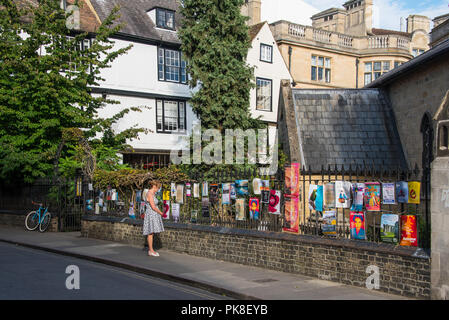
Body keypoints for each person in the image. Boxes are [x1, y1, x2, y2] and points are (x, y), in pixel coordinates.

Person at [143, 180, 165, 257]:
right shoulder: (149, 194)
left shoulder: (152, 193)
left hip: (153, 214)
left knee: (151, 232)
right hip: (151, 215)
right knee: (150, 232)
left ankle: (151, 250)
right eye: (158, 188)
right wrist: (161, 213)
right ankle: (151, 250)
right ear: (154, 186)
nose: (158, 189)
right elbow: (153, 207)